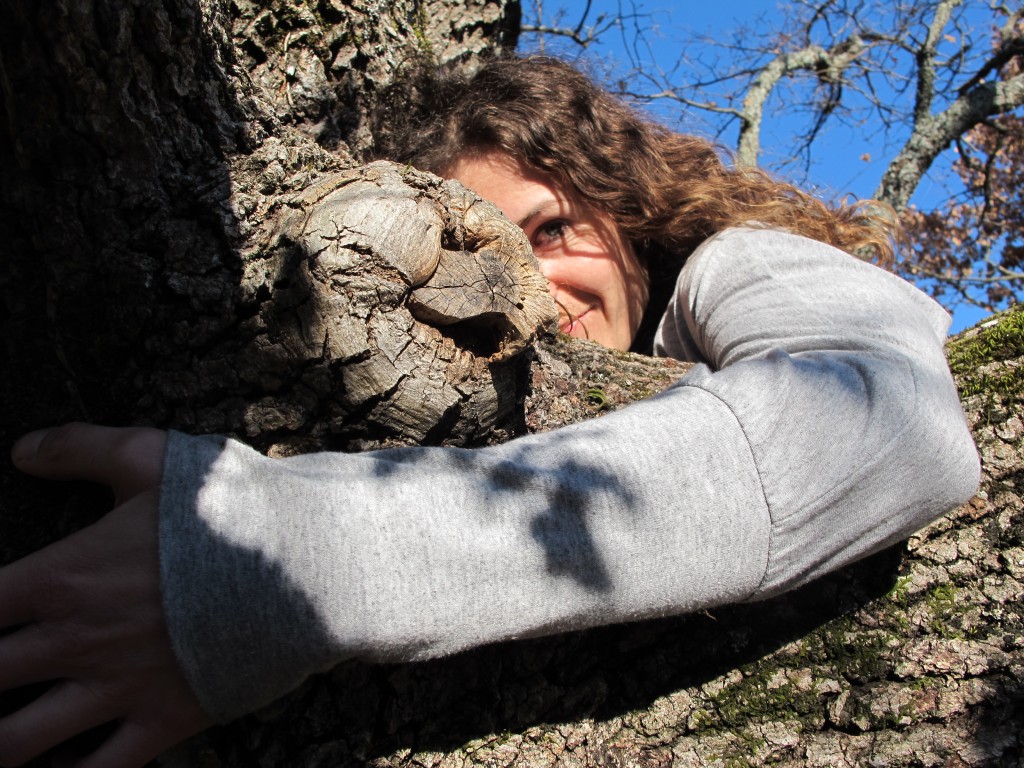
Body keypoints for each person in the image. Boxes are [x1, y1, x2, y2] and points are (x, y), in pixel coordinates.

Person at [4, 55, 979, 768]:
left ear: (627, 218)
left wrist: (274, 565)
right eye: (475, 251)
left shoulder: (733, 270)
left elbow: (885, 423)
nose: (527, 285)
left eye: (554, 230)